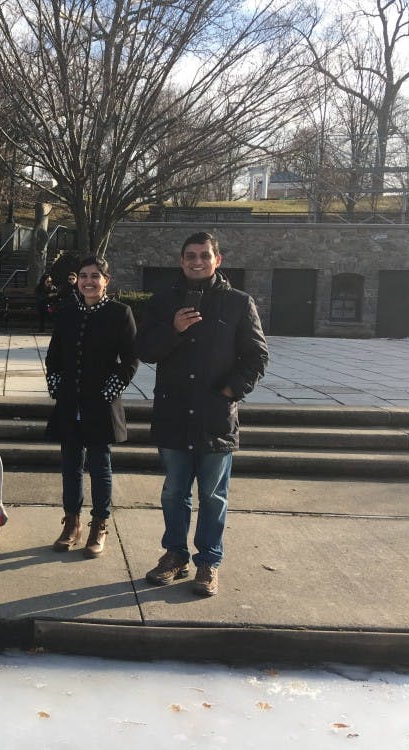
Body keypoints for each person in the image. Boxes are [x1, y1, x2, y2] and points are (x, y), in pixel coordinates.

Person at [135, 231, 268, 596]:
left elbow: (257, 356)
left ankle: (208, 562)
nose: (197, 261)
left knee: (213, 495)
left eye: (204, 255)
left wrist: (230, 390)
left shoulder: (239, 303)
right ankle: (174, 556)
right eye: (190, 255)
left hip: (215, 416)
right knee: (174, 492)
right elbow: (144, 349)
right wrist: (174, 330)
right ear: (181, 261)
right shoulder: (162, 302)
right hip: (174, 412)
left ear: (217, 260)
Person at [44, 256, 139, 558]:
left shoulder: (120, 313)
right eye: (84, 275)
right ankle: (71, 522)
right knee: (70, 465)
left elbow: (131, 360)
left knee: (100, 466)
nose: (88, 281)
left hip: (101, 401)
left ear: (106, 281)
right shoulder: (67, 312)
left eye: (95, 276)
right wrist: (57, 384)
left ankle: (99, 523)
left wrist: (110, 390)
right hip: (70, 400)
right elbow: (54, 355)